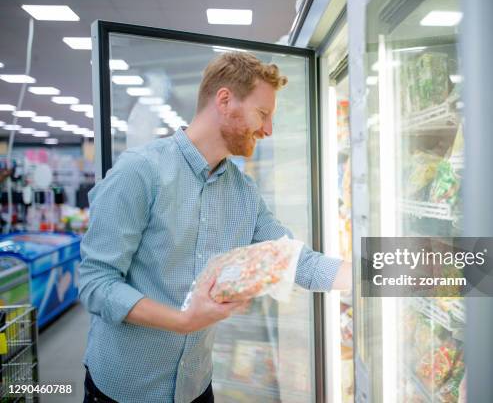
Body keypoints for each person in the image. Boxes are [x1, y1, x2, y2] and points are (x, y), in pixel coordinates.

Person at [78, 52, 351, 403]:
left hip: (195, 388)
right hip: (124, 391)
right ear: (224, 100)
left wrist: (406, 270)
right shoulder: (140, 172)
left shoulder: (244, 193)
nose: (268, 129)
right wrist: (183, 320)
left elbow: (299, 262)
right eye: (262, 114)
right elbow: (96, 283)